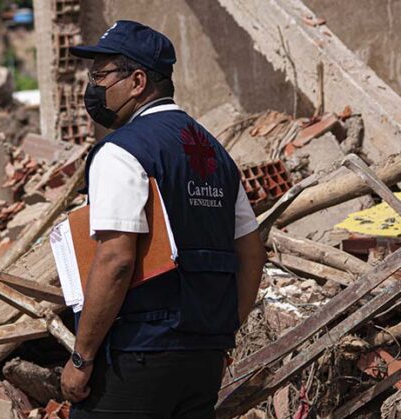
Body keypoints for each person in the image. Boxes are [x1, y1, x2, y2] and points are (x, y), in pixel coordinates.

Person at [59, 20, 268, 418]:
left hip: (136, 356)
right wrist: (220, 335)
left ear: (138, 81)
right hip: (202, 359)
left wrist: (82, 358)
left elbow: (116, 260)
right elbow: (253, 255)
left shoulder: (122, 151)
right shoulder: (216, 153)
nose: (93, 87)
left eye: (100, 75)